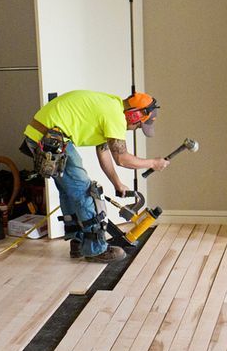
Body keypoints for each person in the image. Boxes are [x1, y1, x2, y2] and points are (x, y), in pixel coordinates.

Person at [21, 91, 170, 261]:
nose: (135, 129)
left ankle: (79, 242)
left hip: (43, 135)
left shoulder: (110, 107)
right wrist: (153, 163)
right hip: (52, 137)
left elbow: (104, 152)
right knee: (86, 192)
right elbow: (122, 158)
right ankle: (95, 249)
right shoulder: (115, 116)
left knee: (69, 191)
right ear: (134, 115)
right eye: (139, 125)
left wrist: (117, 183)